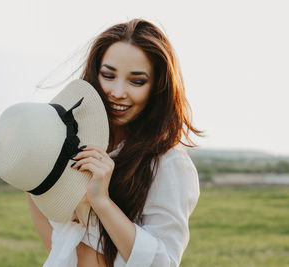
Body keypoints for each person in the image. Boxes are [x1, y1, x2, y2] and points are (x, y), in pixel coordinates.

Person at [25, 18, 205, 267]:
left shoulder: (168, 163)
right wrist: (34, 182)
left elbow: (164, 263)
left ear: (158, 87)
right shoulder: (77, 143)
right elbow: (59, 246)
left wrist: (102, 203)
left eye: (137, 81)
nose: (118, 92)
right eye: (108, 75)